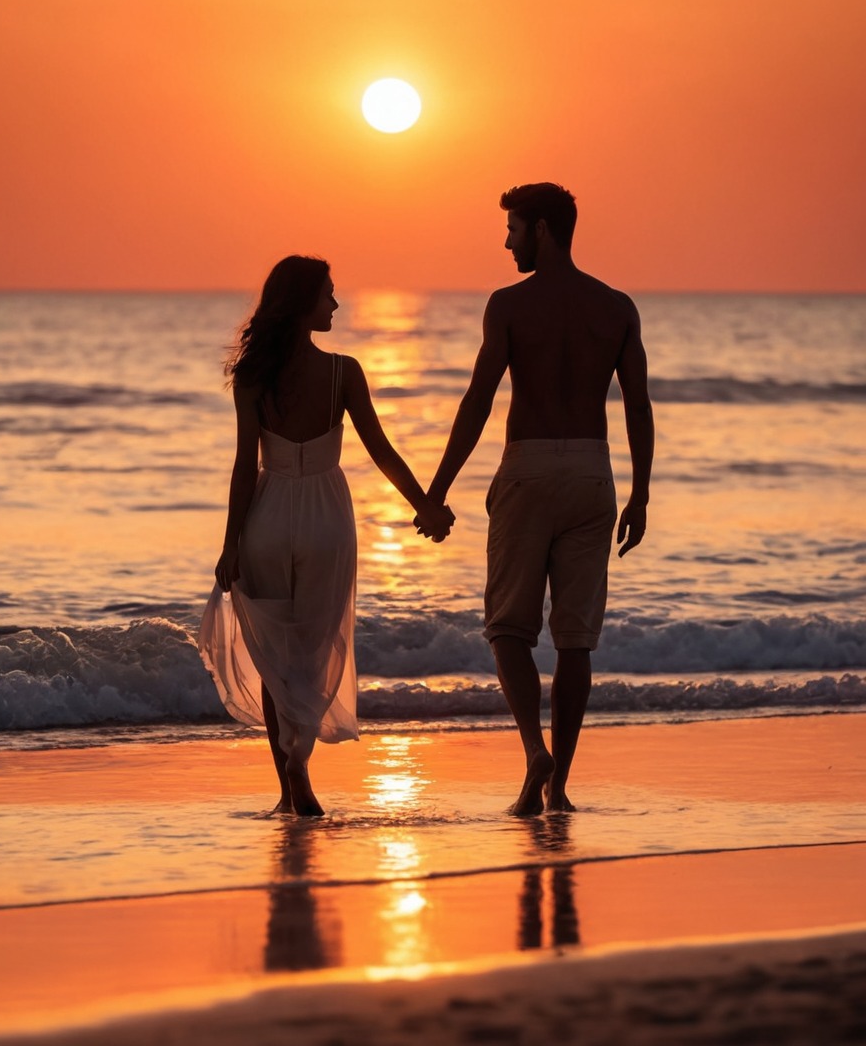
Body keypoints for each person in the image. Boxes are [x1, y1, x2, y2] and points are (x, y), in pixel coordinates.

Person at [419, 184, 654, 815]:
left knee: (508, 628)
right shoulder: (616, 306)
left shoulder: (509, 305)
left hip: (527, 469)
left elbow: (478, 400)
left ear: (543, 230)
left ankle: (533, 752)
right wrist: (641, 495)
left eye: (514, 229)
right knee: (575, 640)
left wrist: (437, 491)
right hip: (592, 474)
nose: (507, 242)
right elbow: (636, 405)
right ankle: (561, 786)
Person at [200, 255, 453, 817]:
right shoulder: (344, 372)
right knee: (312, 654)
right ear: (302, 303)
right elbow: (381, 451)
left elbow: (245, 465)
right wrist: (426, 507)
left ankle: (289, 788)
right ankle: (301, 760)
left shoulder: (253, 375)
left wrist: (230, 544)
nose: (336, 304)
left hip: (265, 517)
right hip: (326, 520)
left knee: (275, 660)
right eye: (328, 295)